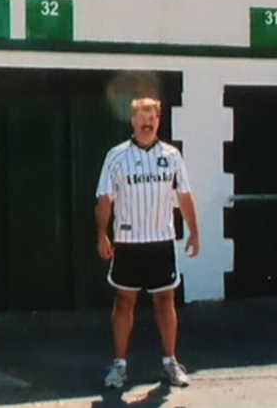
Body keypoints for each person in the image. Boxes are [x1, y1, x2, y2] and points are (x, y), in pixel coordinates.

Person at [95, 97, 200, 388]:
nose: (148, 122)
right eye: (142, 116)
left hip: (161, 240)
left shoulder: (172, 156)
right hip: (128, 241)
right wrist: (102, 234)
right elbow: (104, 198)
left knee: (165, 299)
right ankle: (119, 366)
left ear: (159, 120)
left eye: (152, 117)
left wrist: (194, 231)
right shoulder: (116, 156)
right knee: (124, 300)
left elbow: (184, 196)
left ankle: (170, 363)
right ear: (132, 120)